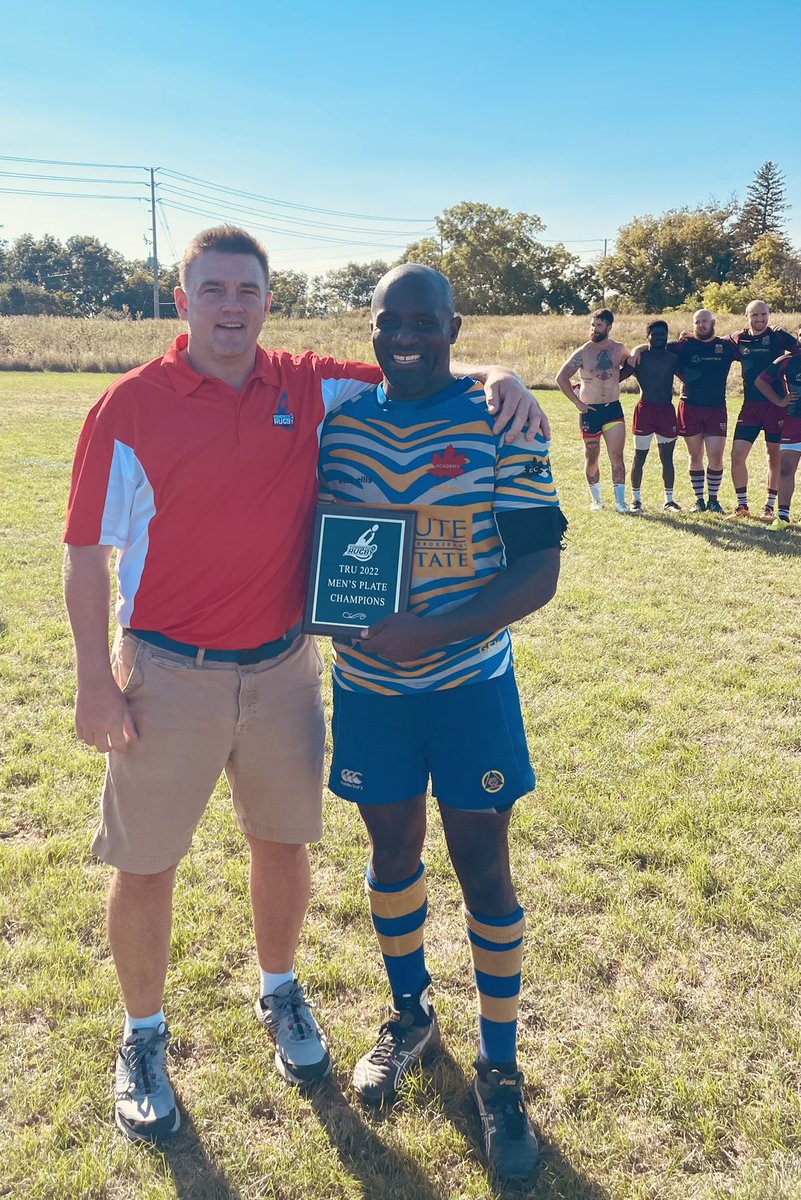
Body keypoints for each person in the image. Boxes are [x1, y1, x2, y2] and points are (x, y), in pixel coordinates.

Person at [62, 226, 549, 1144]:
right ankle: (142, 1036)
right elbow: (85, 552)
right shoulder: (128, 405)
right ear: (182, 301)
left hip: (288, 668)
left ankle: (282, 993)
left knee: (282, 843)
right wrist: (95, 678)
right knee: (146, 862)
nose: (231, 307)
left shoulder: (307, 386)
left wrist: (503, 376)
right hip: (171, 671)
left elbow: (417, 360)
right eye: (213, 290)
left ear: (267, 301)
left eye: (247, 290)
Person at [320, 264, 565, 1183]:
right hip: (367, 691)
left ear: (454, 328)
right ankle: (411, 1014)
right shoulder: (340, 426)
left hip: (468, 688)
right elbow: (314, 546)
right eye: (390, 322)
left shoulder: (501, 421)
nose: (406, 337)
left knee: (483, 869)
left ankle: (499, 1070)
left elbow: (537, 570)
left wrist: (432, 631)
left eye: (424, 322)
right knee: (390, 854)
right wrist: (327, 610)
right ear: (372, 328)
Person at [727, 299, 798, 520]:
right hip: (750, 406)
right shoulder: (738, 339)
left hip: (777, 407)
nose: (760, 319)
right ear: (746, 317)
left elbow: (799, 349)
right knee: (737, 454)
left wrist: (782, 399)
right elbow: (711, 343)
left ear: (769, 315)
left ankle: (769, 507)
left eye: (764, 314)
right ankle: (742, 506)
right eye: (755, 315)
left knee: (774, 456)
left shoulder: (779, 336)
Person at [555, 310, 630, 512]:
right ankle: (596, 500)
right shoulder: (583, 352)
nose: (594, 329)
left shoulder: (619, 349)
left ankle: (620, 502)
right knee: (592, 456)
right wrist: (577, 403)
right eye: (592, 325)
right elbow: (561, 378)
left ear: (609, 327)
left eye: (599, 325)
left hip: (613, 409)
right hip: (590, 411)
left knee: (617, 457)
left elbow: (631, 363)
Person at [667, 309, 738, 513]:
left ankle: (713, 500)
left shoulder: (725, 346)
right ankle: (699, 500)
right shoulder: (684, 345)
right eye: (697, 322)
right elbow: (657, 346)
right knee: (695, 454)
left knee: (716, 454)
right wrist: (637, 351)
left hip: (716, 407)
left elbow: (749, 349)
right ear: (693, 325)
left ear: (713, 323)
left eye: (705, 321)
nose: (701, 325)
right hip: (690, 406)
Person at [620, 319, 683, 512]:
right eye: (655, 334)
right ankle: (636, 500)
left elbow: (689, 377)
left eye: (662, 334)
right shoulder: (639, 358)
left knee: (667, 458)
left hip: (666, 412)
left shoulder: (673, 358)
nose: (659, 338)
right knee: (639, 457)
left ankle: (669, 501)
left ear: (667, 336)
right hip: (645, 412)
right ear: (647, 336)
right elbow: (618, 376)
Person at [755, 329, 801, 529]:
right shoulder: (788, 360)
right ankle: (782, 517)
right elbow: (761, 381)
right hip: (793, 422)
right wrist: (780, 401)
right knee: (786, 469)